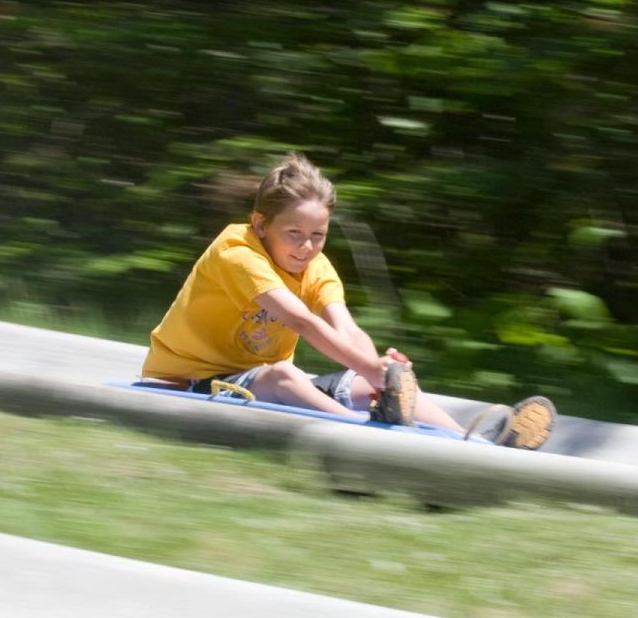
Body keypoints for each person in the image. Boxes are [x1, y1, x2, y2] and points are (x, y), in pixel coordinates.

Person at [140, 152, 556, 449]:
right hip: (191, 381)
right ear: (260, 224)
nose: (306, 247)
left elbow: (347, 328)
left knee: (363, 382)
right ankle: (374, 435)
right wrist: (376, 370)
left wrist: (382, 376)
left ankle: (478, 444)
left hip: (256, 379)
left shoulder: (315, 265)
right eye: (294, 234)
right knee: (284, 377)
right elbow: (302, 321)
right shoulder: (237, 252)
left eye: (317, 235)